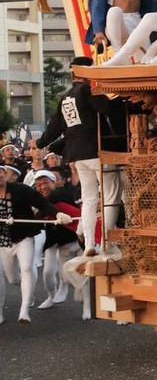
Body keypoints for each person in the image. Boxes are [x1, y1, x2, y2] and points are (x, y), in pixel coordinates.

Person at [34, 57, 115, 254]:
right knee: (111, 195)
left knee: (89, 199)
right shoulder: (87, 90)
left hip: (76, 155)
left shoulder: (65, 97)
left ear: (72, 73)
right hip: (96, 151)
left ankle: (88, 243)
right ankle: (105, 242)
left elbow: (54, 127)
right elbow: (105, 108)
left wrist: (39, 143)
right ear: (87, 72)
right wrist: (103, 89)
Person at [0, 164, 71, 324]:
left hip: (24, 236)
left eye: (0, 172)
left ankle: (24, 310)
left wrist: (57, 213)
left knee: (26, 267)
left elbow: (41, 202)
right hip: (3, 240)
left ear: (5, 173)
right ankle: (24, 293)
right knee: (12, 279)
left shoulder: (20, 189)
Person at [31, 170, 81, 310]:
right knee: (47, 272)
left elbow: (46, 205)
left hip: (71, 237)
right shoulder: (37, 198)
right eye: (38, 185)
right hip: (52, 240)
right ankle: (51, 296)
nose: (42, 187)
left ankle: (67, 288)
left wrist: (39, 209)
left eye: (45, 183)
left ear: (54, 182)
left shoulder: (62, 194)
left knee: (71, 273)